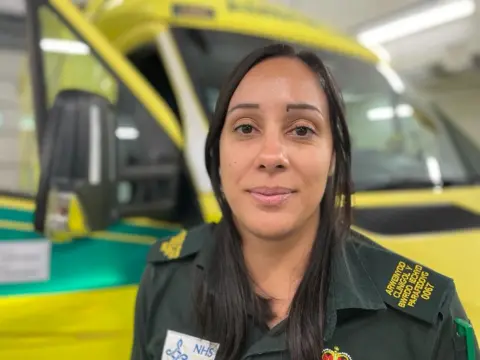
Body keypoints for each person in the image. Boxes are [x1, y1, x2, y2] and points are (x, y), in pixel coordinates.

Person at [130, 44, 479, 360]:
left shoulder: (424, 321)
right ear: (218, 152)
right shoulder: (165, 279)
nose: (271, 156)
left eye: (301, 130)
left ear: (332, 157)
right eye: (246, 128)